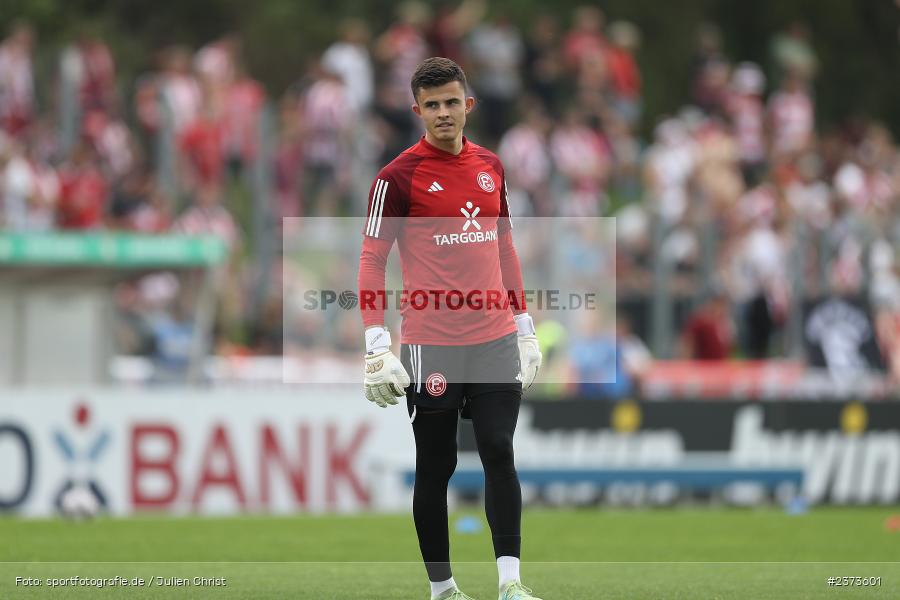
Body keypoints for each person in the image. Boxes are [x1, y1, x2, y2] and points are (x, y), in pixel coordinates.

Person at [357, 57, 544, 600]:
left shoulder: (492, 166)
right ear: (417, 110)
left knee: (499, 449)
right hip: (431, 343)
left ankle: (510, 584)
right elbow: (372, 259)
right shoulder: (395, 178)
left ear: (469, 105)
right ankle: (443, 589)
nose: (443, 112)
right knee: (436, 464)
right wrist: (375, 341)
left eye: (452, 102)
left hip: (494, 338)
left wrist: (525, 325)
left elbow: (504, 247)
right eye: (432, 104)